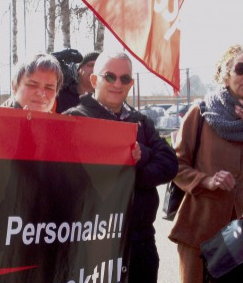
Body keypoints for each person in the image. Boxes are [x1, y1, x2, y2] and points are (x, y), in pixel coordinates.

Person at [63, 50, 178, 283]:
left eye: (124, 78)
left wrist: (141, 158)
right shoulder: (73, 120)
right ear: (95, 80)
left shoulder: (141, 121)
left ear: (131, 84)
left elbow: (169, 163)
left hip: (139, 241)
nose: (117, 84)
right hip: (91, 242)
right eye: (110, 76)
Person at [168, 44, 243, 283]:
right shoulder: (201, 113)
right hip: (200, 227)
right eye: (241, 68)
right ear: (227, 75)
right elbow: (175, 165)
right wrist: (206, 180)